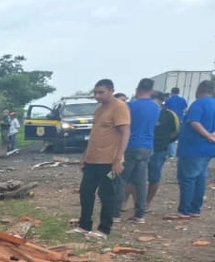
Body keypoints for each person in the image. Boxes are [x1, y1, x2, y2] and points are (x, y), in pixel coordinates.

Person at [69, 79, 129, 238]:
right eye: (95, 93)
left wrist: (118, 159)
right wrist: (84, 157)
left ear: (111, 91)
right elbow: (94, 135)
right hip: (93, 160)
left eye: (101, 92)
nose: (97, 96)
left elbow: (125, 133)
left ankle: (104, 229)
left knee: (107, 194)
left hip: (110, 162)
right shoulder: (99, 109)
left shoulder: (119, 107)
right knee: (86, 192)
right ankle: (84, 225)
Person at [166, 79, 215, 220]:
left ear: (198, 91)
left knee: (188, 178)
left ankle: (184, 210)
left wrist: (207, 135)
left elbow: (194, 122)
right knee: (201, 178)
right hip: (208, 149)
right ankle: (195, 209)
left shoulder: (198, 104)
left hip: (193, 148)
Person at [119, 79, 161, 224]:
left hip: (130, 147)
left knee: (120, 178)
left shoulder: (129, 106)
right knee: (141, 181)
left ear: (137, 89)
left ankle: (115, 212)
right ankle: (140, 214)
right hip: (147, 147)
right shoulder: (156, 107)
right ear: (152, 91)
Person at [146, 92, 180, 211]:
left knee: (154, 178)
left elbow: (176, 131)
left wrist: (165, 142)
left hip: (159, 150)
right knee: (134, 177)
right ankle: (129, 201)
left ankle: (147, 203)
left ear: (161, 101)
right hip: (142, 148)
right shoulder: (144, 112)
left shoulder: (169, 115)